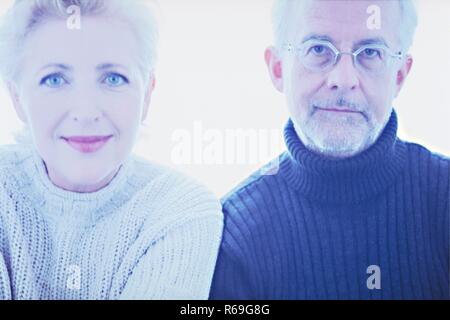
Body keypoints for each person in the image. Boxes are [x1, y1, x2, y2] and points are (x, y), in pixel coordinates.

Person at [210, 0, 449, 299]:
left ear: (399, 75)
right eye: (319, 49)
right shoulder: (233, 237)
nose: (343, 80)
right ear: (278, 68)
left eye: (371, 53)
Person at [0, 0, 223, 300]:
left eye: (113, 78)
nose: (86, 111)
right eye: (54, 79)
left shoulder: (180, 209)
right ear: (17, 98)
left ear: (146, 95)